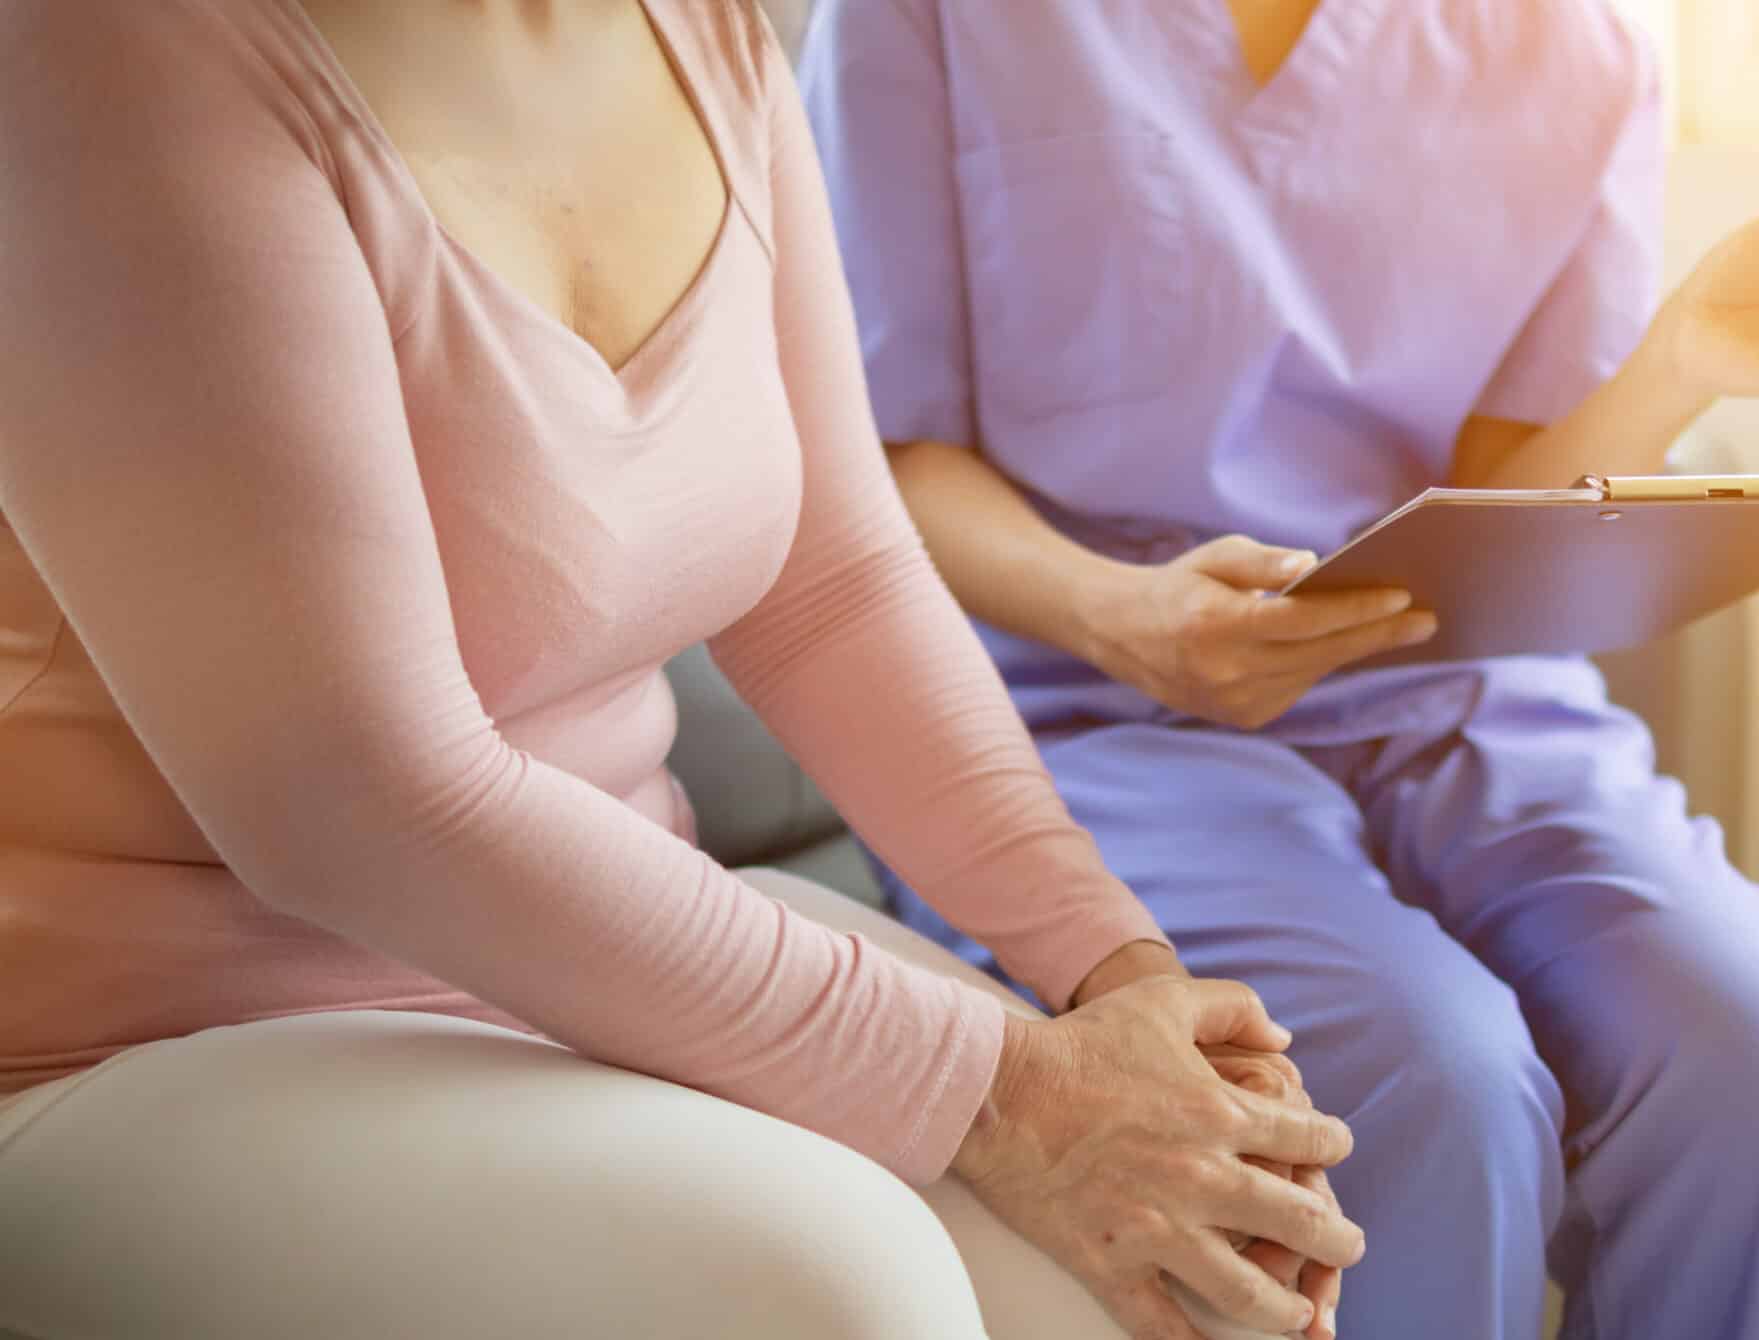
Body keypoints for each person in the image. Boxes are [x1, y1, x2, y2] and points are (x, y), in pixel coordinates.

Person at [0, 4, 1365, 1339]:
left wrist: (1123, 988)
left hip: (600, 987)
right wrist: (1011, 1092)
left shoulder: (709, 37)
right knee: (837, 1285)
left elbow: (836, 590)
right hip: (151, 1045)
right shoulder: (103, 53)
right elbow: (358, 803)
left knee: (1189, 1273)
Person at [800, 2, 1759, 1337]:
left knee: (1754, 1068)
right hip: (1082, 710)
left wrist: (1678, 363)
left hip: (1463, 697)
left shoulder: (1580, 44)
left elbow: (1505, 498)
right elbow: (881, 456)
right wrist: (1117, 613)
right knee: (1424, 1081)